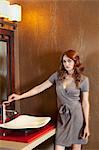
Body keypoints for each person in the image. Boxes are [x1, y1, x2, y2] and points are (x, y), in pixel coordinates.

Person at [7, 50, 90, 150]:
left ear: (75, 61)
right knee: (58, 146)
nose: (66, 64)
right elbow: (39, 88)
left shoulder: (83, 80)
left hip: (76, 116)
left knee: (76, 147)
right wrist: (20, 96)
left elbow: (85, 103)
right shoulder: (57, 76)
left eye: (69, 61)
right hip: (62, 117)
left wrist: (86, 125)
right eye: (64, 61)